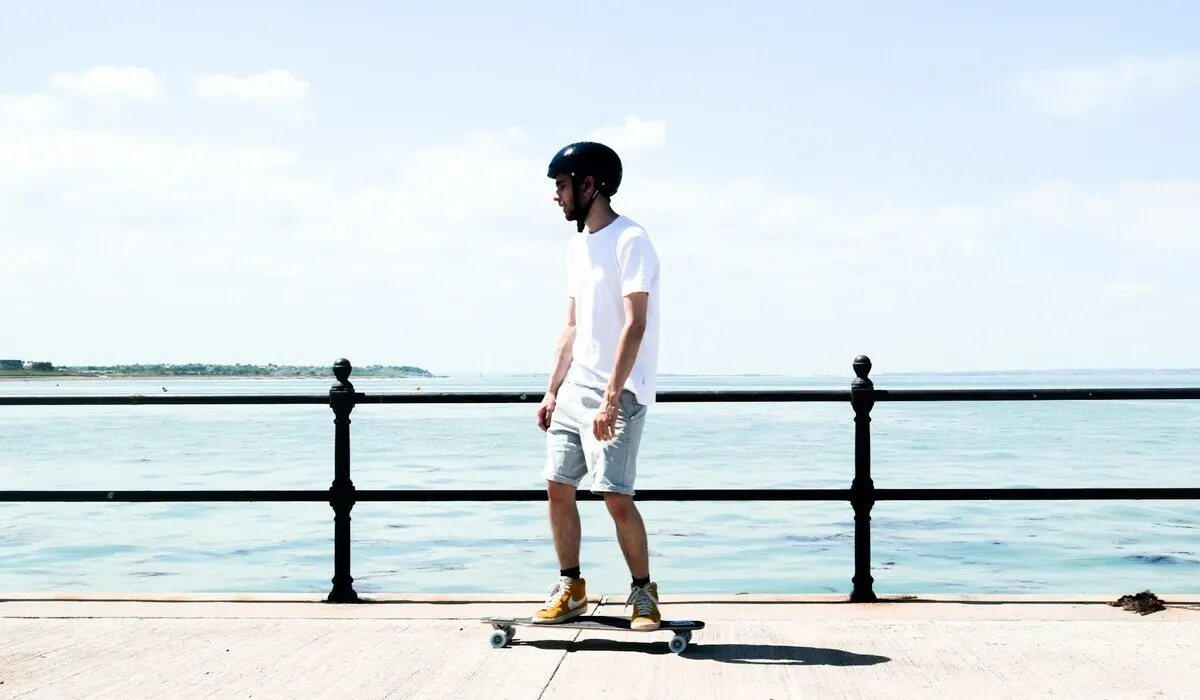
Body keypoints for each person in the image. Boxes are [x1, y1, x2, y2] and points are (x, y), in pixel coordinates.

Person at [532, 141, 663, 631]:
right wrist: (551, 391)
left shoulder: (631, 240)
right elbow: (571, 325)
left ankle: (643, 592)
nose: (556, 196)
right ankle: (571, 587)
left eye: (562, 185)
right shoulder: (576, 246)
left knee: (614, 496)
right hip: (574, 390)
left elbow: (635, 324)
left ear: (590, 185)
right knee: (558, 488)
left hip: (619, 391)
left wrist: (611, 399)